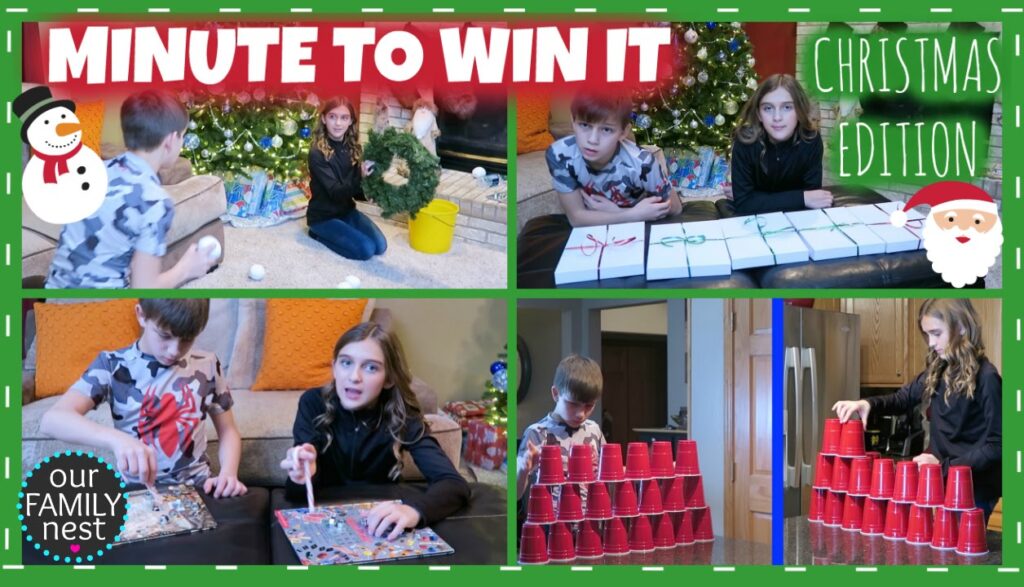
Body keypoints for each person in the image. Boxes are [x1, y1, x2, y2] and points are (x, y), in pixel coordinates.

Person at [38, 299, 246, 497]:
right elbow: (52, 420)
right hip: (138, 492)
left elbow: (228, 430)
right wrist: (116, 439)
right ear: (141, 315)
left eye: (187, 339)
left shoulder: (208, 363)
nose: (174, 351)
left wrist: (228, 473)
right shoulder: (111, 364)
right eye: (164, 335)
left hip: (199, 487)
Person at [280, 322, 469, 540]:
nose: (354, 377)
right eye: (346, 363)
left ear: (388, 379)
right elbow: (295, 494)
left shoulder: (402, 414)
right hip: (326, 522)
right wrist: (304, 475)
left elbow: (454, 484)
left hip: (378, 527)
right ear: (334, 367)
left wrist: (414, 511)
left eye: (371, 367)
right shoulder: (312, 403)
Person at [833, 299, 1001, 519]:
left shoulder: (987, 377)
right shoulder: (939, 368)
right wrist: (867, 404)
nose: (931, 343)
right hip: (942, 482)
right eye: (927, 335)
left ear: (961, 326)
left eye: (936, 333)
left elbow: (997, 446)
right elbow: (903, 398)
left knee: (960, 552)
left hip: (975, 489)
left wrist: (943, 466)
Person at [46, 90, 217, 289]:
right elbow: (145, 289)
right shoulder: (155, 202)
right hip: (96, 312)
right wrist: (187, 269)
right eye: (182, 136)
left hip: (53, 300)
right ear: (170, 141)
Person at [546, 93, 682, 227]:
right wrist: (633, 214)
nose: (592, 140)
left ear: (623, 132)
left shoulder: (643, 163)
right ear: (572, 121)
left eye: (606, 129)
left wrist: (619, 212)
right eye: (585, 125)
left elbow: (676, 208)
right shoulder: (559, 154)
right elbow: (576, 218)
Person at [730, 74, 834, 215]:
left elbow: (813, 197)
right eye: (768, 108)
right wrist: (801, 198)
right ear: (759, 114)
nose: (777, 117)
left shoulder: (811, 140)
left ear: (799, 111)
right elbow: (744, 205)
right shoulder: (745, 141)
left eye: (787, 107)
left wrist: (757, 198)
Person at [516, 354, 606, 504]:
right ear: (556, 394)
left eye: (589, 405)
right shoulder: (537, 433)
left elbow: (608, 476)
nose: (580, 414)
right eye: (573, 404)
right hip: (549, 524)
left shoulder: (594, 430)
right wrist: (523, 470)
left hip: (589, 522)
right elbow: (516, 495)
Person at [306, 97, 387, 261]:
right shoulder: (317, 153)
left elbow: (354, 191)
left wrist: (370, 194)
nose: (338, 123)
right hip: (323, 217)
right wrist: (359, 175)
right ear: (323, 118)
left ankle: (343, 229)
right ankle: (316, 234)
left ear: (351, 121)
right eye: (332, 117)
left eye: (344, 118)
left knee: (380, 246)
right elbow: (336, 192)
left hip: (347, 211)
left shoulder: (354, 148)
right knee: (366, 250)